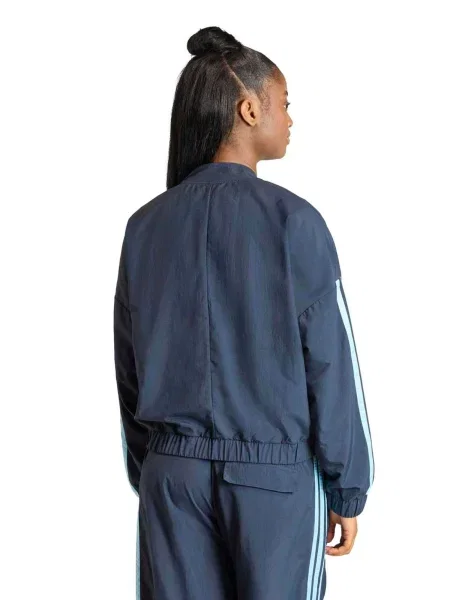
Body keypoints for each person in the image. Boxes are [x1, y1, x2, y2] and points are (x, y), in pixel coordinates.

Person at [113, 25, 375, 600]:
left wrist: (155, 469)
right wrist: (347, 487)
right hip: (272, 480)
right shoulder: (294, 221)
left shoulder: (145, 226)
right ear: (249, 109)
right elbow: (331, 366)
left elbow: (128, 368)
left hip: (172, 477)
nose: (291, 118)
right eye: (285, 102)